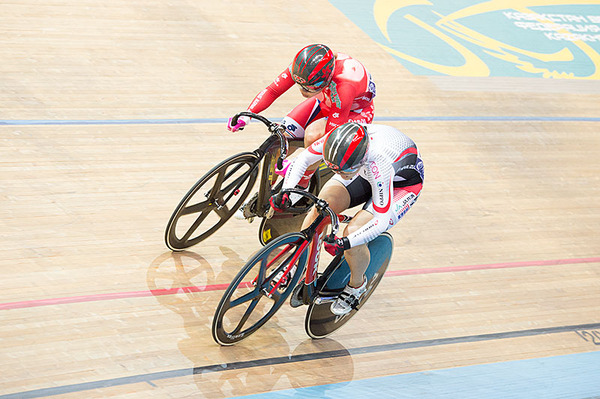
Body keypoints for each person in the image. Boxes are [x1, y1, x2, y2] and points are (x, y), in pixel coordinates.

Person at [269, 122, 424, 315]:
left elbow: (381, 221)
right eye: (335, 169)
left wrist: (346, 242)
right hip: (362, 171)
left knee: (354, 232)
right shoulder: (336, 139)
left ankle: (356, 286)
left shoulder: (379, 164)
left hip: (400, 185)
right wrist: (287, 192)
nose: (339, 175)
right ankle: (298, 264)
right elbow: (303, 159)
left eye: (342, 171)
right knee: (320, 208)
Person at [228, 43, 376, 195]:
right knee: (278, 139)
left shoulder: (345, 84)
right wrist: (248, 113)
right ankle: (263, 195)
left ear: (326, 78)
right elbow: (273, 90)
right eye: (300, 85)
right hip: (326, 99)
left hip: (354, 111)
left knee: (313, 136)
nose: (303, 91)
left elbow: (330, 135)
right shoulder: (304, 65)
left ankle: (302, 184)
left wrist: (297, 165)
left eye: (310, 87)